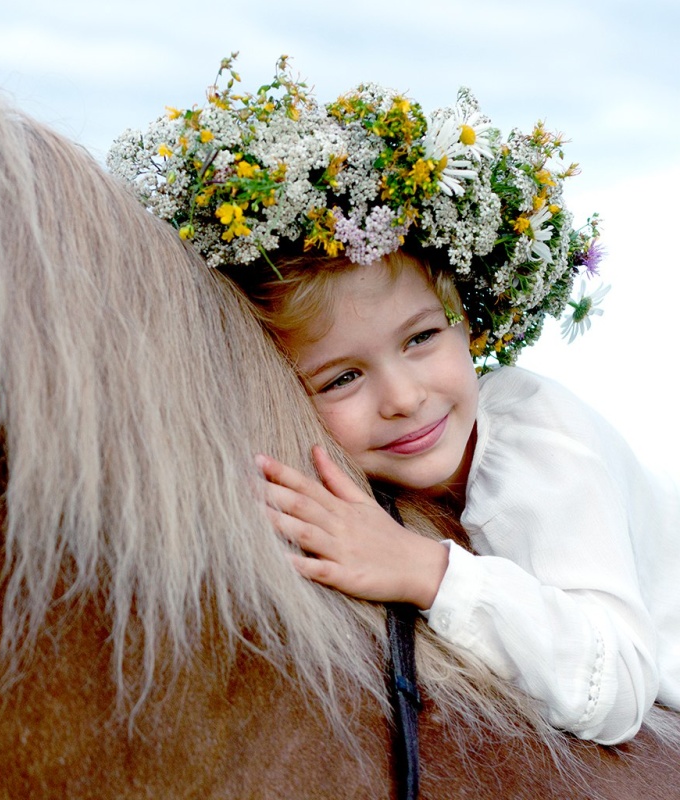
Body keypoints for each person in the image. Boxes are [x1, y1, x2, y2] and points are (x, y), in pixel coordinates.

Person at [108, 57, 680, 746]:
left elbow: (613, 683)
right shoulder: (376, 470)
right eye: (342, 379)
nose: (405, 398)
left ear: (465, 321)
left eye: (420, 338)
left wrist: (422, 569)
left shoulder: (535, 437)